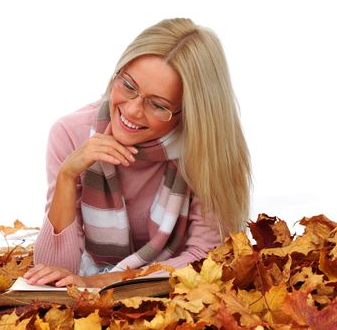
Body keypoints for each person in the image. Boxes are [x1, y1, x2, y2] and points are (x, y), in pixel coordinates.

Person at [24, 18, 251, 288]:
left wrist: (101, 281)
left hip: (175, 295)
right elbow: (54, 273)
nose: (131, 111)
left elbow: (208, 258)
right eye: (128, 86)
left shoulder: (206, 150)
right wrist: (67, 176)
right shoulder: (70, 133)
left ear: (189, 111)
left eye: (157, 105)